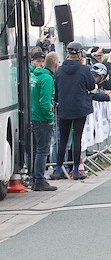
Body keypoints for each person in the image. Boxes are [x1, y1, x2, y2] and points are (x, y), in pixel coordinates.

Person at [50, 41, 95, 181]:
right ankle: (75, 170)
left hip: (64, 108)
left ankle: (58, 169)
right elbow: (91, 85)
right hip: (79, 107)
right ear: (80, 53)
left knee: (62, 139)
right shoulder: (84, 69)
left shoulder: (60, 70)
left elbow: (56, 90)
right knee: (77, 139)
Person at [30, 51, 57, 191]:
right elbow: (45, 101)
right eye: (38, 61)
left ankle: (33, 178)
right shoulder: (46, 79)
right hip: (41, 118)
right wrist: (50, 117)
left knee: (35, 150)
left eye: (42, 61)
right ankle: (39, 180)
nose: (40, 64)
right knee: (42, 150)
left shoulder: (31, 76)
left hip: (33, 116)